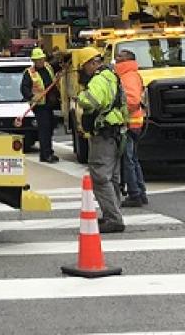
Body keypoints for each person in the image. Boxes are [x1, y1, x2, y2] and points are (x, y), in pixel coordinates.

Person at [76, 46, 128, 233]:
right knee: (113, 177)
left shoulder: (98, 80)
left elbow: (91, 101)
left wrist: (79, 96)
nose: (84, 71)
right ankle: (114, 213)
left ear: (91, 63)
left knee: (100, 177)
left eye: (84, 67)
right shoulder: (112, 76)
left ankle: (113, 218)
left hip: (104, 133)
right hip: (115, 132)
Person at [115, 48, 148, 208]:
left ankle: (135, 194)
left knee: (128, 160)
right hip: (135, 123)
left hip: (129, 123)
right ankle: (140, 192)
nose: (116, 58)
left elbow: (132, 100)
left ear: (127, 59)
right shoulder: (131, 74)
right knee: (133, 159)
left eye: (120, 56)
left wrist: (121, 115)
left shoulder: (127, 76)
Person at [20, 47, 59, 163]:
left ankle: (48, 152)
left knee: (50, 128)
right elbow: (24, 88)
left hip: (49, 104)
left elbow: (57, 65)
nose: (40, 62)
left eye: (41, 59)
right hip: (40, 106)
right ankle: (45, 154)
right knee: (44, 130)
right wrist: (32, 97)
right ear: (34, 61)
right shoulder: (29, 73)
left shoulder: (48, 67)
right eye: (37, 60)